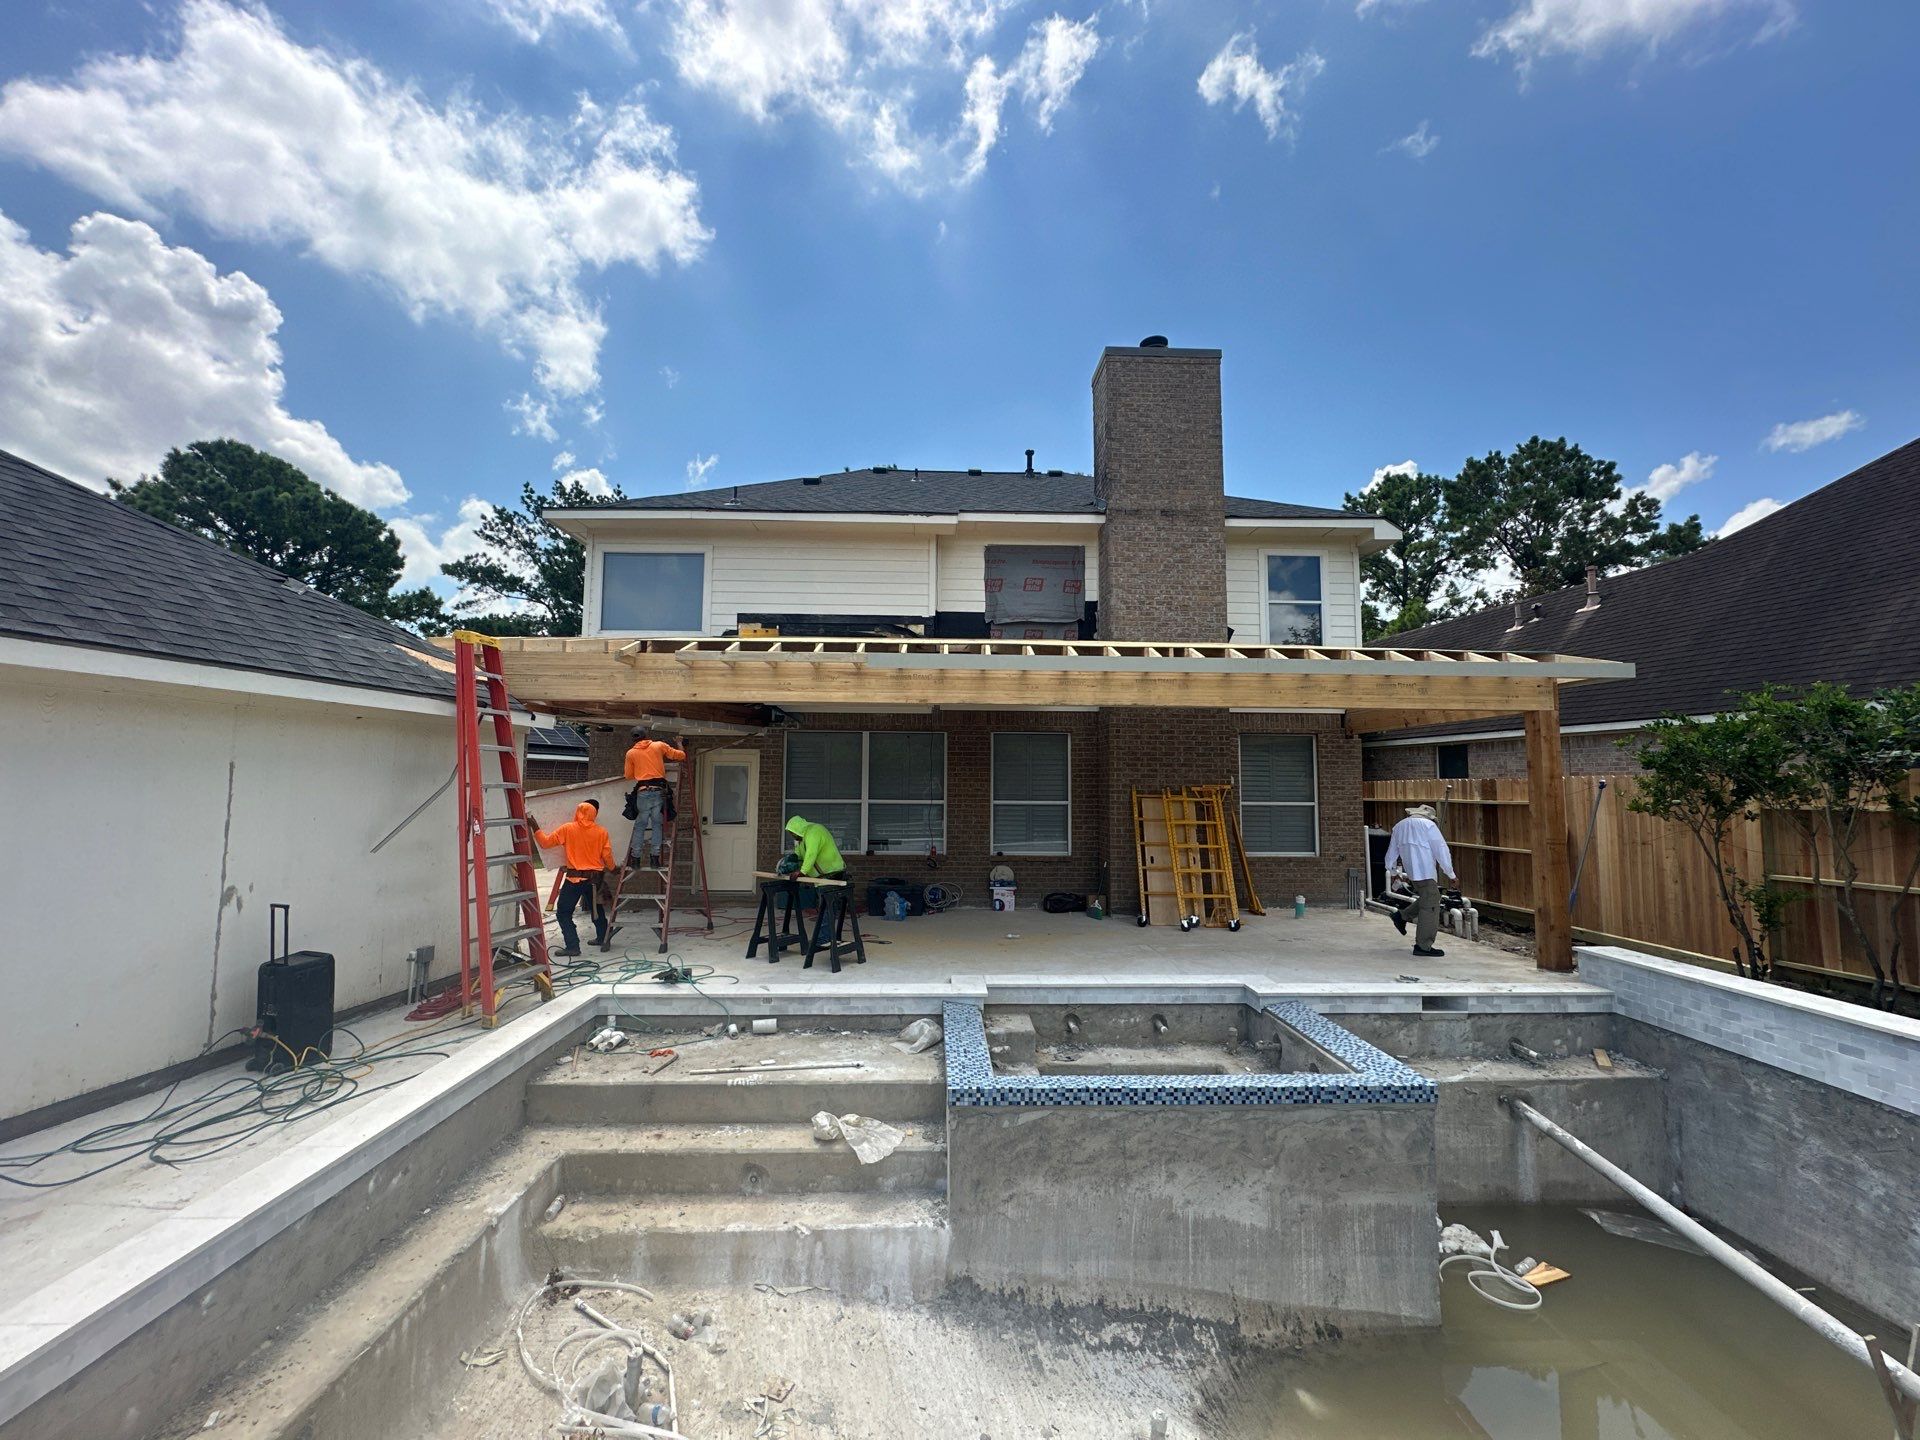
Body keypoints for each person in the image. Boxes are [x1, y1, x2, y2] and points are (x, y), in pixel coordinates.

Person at [534, 799, 613, 957]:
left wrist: (534, 827)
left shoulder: (568, 829)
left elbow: (545, 843)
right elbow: (607, 855)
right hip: (595, 880)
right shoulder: (601, 831)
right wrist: (613, 868)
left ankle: (573, 947)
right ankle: (603, 939)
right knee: (596, 910)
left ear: (578, 812)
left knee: (563, 913)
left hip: (574, 880)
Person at [1383, 802, 1457, 958]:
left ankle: (1402, 916)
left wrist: (1393, 870)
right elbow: (1441, 851)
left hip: (1412, 872)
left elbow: (1392, 851)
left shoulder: (1399, 826)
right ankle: (1423, 945)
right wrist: (1451, 874)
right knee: (1431, 906)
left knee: (1429, 898)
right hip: (1426, 872)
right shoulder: (1429, 826)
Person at [624, 725, 687, 868]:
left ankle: (635, 859)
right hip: (659, 791)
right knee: (657, 825)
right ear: (646, 735)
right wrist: (679, 742)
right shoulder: (658, 746)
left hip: (642, 792)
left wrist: (641, 769)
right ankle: (654, 859)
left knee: (640, 826)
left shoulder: (631, 753)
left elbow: (628, 776)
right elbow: (681, 756)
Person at [784, 813, 846, 881]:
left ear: (798, 829)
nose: (791, 835)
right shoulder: (800, 839)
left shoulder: (814, 832)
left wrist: (802, 871)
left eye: (792, 832)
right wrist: (790, 863)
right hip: (822, 876)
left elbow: (811, 853)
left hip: (833, 872)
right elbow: (798, 856)